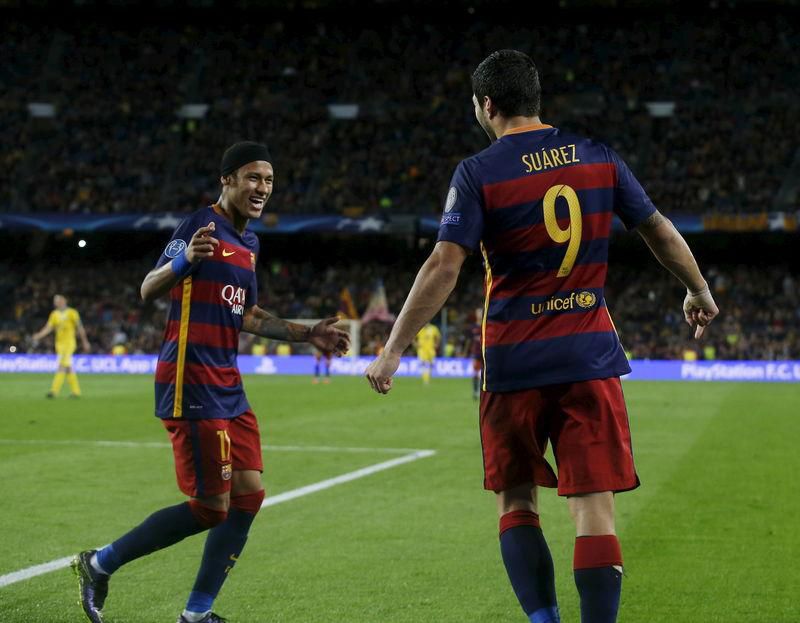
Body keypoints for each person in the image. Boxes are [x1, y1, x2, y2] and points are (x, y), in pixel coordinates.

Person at [365, 50, 719, 623]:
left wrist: (392, 348)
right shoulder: (598, 156)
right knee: (594, 508)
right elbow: (657, 229)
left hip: (513, 363)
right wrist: (697, 288)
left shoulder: (478, 172)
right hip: (589, 356)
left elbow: (443, 266)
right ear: (536, 99)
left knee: (516, 500)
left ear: (487, 105)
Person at [72, 141, 350, 623]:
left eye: (268, 180)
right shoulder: (199, 226)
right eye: (253, 177)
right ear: (227, 180)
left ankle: (196, 614)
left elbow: (249, 314)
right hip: (191, 379)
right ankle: (99, 564)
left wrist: (308, 334)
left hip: (228, 383)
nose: (262, 188)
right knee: (209, 508)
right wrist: (184, 261)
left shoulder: (249, 245)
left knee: (249, 495)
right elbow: (147, 287)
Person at [31, 294, 91, 398]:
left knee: (62, 365)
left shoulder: (72, 313)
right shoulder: (54, 314)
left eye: (57, 301)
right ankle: (76, 391)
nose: (55, 303)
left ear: (63, 301)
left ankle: (54, 391)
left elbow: (80, 328)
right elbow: (48, 328)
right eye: (55, 301)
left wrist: (85, 341)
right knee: (68, 367)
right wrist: (39, 335)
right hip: (59, 344)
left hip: (69, 343)